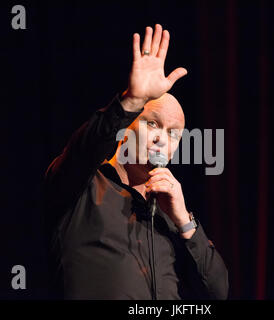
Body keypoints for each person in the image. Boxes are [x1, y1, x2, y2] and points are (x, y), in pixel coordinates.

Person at [43, 24, 229, 300]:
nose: (162, 139)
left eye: (174, 134)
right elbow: (86, 145)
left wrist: (184, 222)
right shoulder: (82, 185)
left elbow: (217, 292)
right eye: (153, 124)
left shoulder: (170, 214)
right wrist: (133, 100)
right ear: (126, 126)